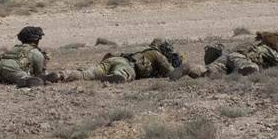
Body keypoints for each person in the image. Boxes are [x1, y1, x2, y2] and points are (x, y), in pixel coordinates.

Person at [44, 38, 182, 84]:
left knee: (86, 75)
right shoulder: (157, 54)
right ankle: (114, 78)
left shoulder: (142, 48)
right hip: (126, 65)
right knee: (124, 74)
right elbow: (169, 72)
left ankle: (61, 75)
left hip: (113, 59)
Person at [170, 31, 278, 80]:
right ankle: (243, 70)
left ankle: (190, 69)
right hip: (239, 58)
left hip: (225, 56)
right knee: (250, 67)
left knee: (208, 71)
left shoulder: (248, 43)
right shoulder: (264, 47)